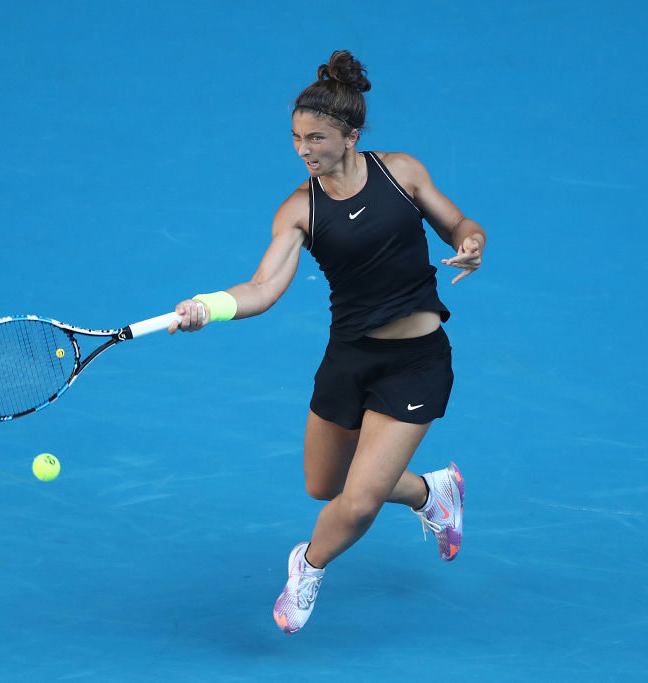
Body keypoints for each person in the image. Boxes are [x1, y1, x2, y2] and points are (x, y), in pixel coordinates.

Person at [167, 50, 486, 634]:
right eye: (295, 138)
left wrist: (472, 242)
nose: (303, 149)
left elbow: (459, 224)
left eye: (315, 137)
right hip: (349, 360)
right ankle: (430, 493)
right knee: (327, 486)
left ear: (350, 136)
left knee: (359, 502)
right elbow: (263, 288)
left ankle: (307, 566)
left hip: (416, 362)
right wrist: (206, 310)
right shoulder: (299, 211)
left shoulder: (401, 173)